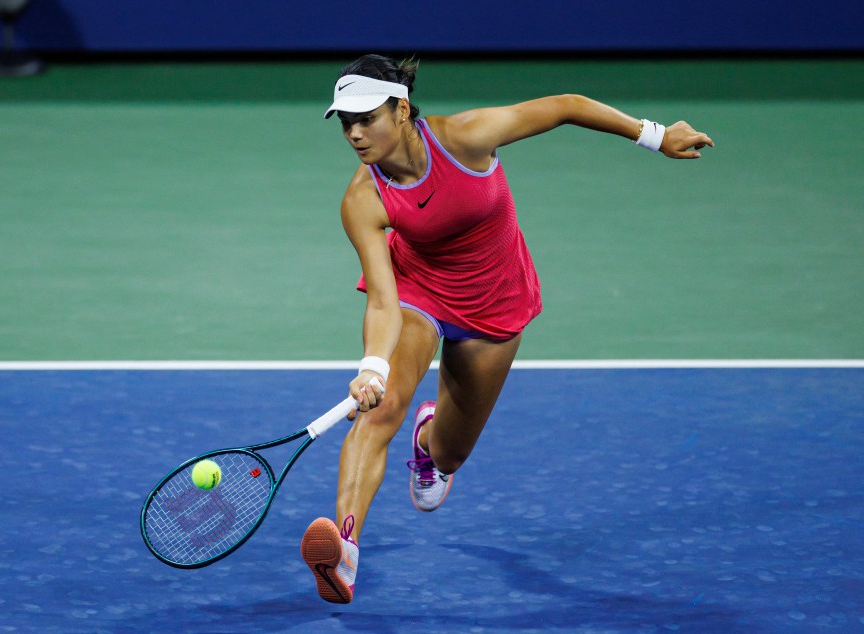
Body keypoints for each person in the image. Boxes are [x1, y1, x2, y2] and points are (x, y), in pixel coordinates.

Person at [299, 54, 714, 604]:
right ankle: (345, 552)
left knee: (449, 455)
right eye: (345, 122)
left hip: (494, 304)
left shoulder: (467, 137)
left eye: (365, 117)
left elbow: (566, 107)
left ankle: (429, 444)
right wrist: (373, 367)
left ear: (401, 109)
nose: (354, 133)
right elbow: (382, 297)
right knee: (381, 410)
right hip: (419, 291)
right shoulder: (363, 198)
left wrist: (655, 136)